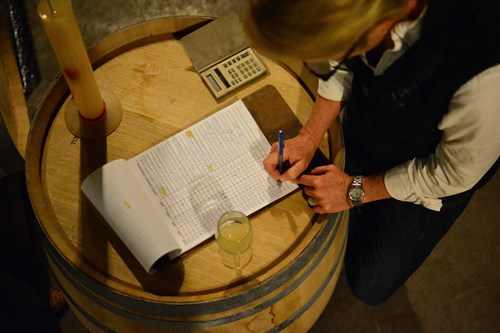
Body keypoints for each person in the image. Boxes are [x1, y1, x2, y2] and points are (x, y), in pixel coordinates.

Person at [244, 0, 500, 305]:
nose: (331, 61)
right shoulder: (351, 20)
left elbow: (452, 173)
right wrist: (310, 136)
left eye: (338, 50)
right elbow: (339, 66)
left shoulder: (486, 73)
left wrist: (356, 190)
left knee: (369, 285)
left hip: (431, 176)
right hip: (372, 124)